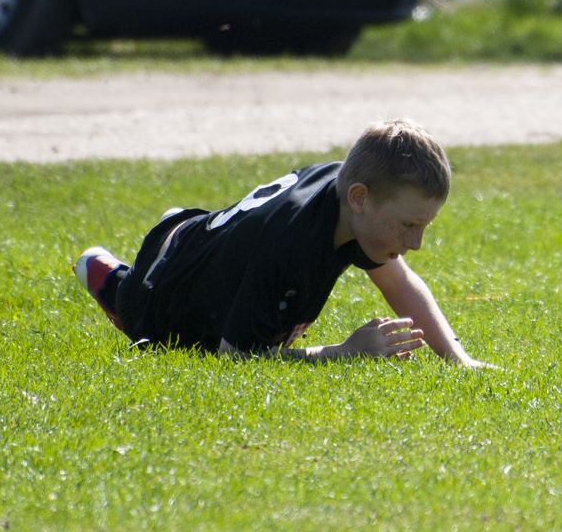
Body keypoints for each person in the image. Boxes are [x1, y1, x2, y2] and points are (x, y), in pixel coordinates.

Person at [71, 118, 491, 366]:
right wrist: (344, 351)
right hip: (159, 294)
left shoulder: (350, 197)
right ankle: (112, 279)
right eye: (408, 225)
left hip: (201, 240)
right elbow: (235, 358)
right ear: (360, 198)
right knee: (141, 315)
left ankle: (169, 239)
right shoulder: (289, 246)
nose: (415, 243)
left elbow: (398, 281)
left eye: (423, 227)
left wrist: (459, 360)